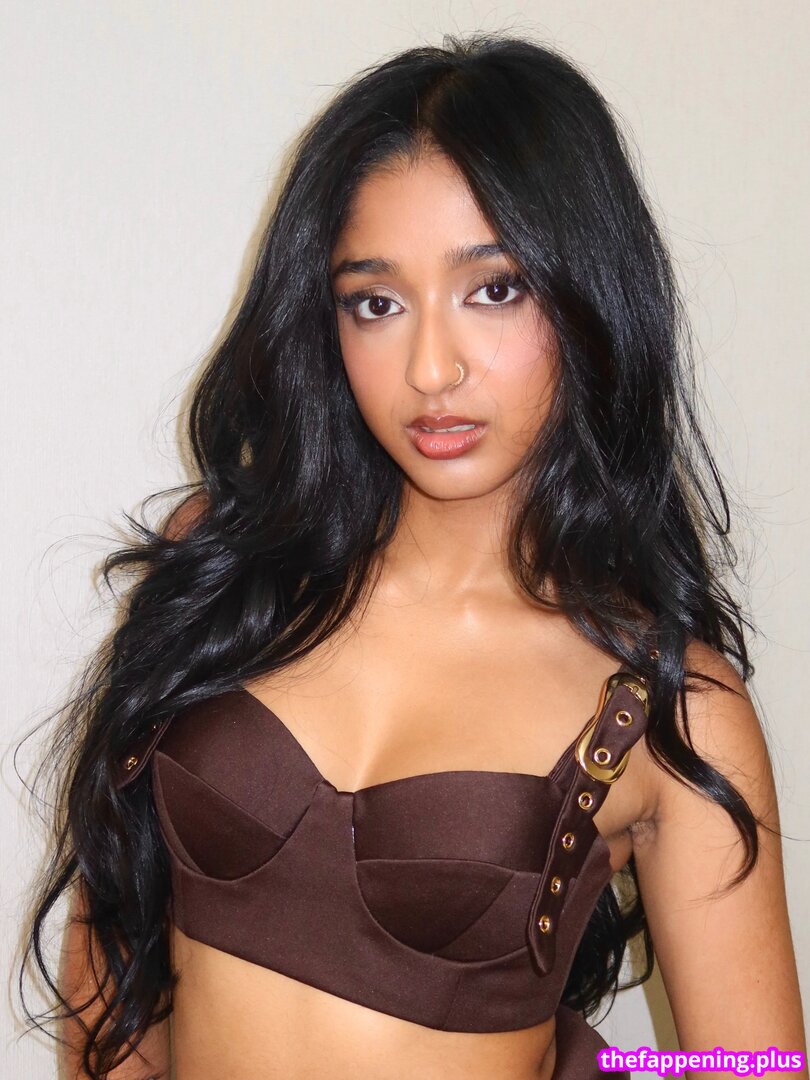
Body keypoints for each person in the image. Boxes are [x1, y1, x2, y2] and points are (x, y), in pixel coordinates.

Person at [20, 31, 807, 1080]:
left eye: (495, 290)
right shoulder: (221, 563)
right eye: (377, 303)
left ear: (589, 298)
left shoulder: (669, 707)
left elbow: (752, 1069)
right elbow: (112, 943)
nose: (432, 368)